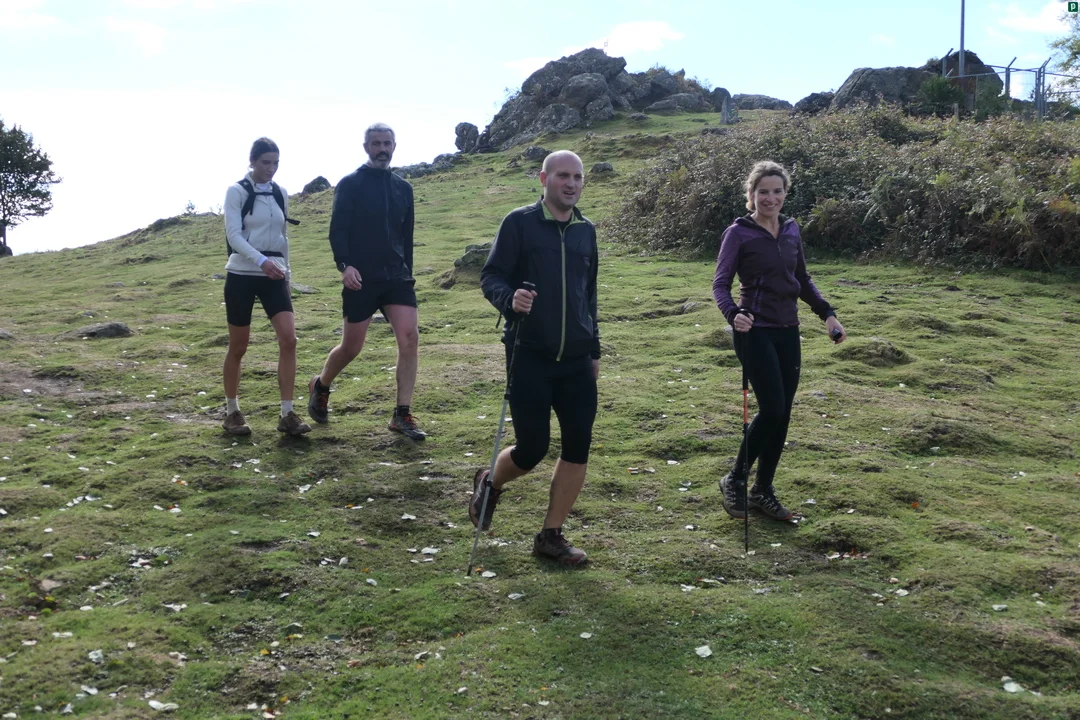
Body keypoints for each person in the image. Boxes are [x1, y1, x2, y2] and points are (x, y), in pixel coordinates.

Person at [471, 150, 600, 567]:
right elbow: (490, 276)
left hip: (577, 358)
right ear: (544, 179)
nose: (571, 183)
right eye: (563, 175)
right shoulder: (519, 222)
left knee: (578, 444)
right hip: (529, 353)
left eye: (577, 177)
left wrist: (594, 348)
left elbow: (589, 295)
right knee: (532, 448)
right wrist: (510, 298)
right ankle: (491, 482)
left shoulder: (586, 231)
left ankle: (550, 536)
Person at [712, 160, 846, 521]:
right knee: (772, 408)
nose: (770, 198)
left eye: (777, 191)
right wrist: (733, 314)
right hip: (754, 330)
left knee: (782, 414)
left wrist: (828, 314)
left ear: (785, 193)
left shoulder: (790, 229)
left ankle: (762, 490)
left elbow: (801, 278)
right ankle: (735, 478)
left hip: (788, 329)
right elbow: (720, 284)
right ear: (751, 194)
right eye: (763, 192)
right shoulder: (738, 234)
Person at [307, 123, 425, 440]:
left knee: (410, 338)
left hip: (397, 277)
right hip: (360, 277)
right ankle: (321, 384)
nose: (382, 148)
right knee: (351, 347)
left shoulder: (403, 188)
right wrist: (344, 266)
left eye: (387, 143)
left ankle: (402, 414)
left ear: (394, 146)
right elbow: (338, 229)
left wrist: (408, 272)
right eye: (376, 143)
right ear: (366, 147)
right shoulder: (351, 184)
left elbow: (407, 237)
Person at [221, 138, 311, 437]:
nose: (271, 168)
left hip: (275, 275)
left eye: (275, 163)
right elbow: (234, 236)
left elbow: (283, 236)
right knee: (239, 346)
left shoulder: (280, 193)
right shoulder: (236, 191)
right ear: (252, 161)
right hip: (242, 274)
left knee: (289, 340)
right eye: (265, 162)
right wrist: (261, 262)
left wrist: (287, 273)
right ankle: (232, 412)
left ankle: (287, 414)